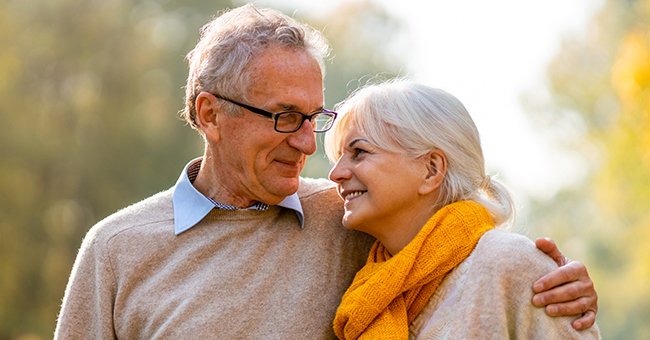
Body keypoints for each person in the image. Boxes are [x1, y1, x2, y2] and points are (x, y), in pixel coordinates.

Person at [55, 4, 597, 339]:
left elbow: (453, 245)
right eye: (285, 117)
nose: (306, 145)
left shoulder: (350, 220)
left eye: (313, 118)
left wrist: (558, 286)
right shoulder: (117, 249)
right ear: (210, 115)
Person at [325, 79, 600, 339]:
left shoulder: (510, 263)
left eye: (359, 152)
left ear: (431, 170)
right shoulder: (368, 289)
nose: (335, 174)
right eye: (338, 159)